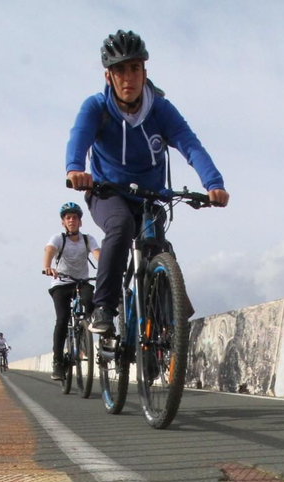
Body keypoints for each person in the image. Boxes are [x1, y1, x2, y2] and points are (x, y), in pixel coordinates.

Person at [64, 29, 228, 338]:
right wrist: (75, 169)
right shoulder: (96, 108)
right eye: (120, 70)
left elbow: (190, 145)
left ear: (145, 72)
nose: (128, 78)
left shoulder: (160, 110)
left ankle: (162, 330)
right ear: (108, 76)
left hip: (151, 196)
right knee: (121, 226)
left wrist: (213, 183)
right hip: (107, 192)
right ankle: (105, 309)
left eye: (135, 68)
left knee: (159, 250)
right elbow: (79, 138)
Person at [42, 203, 100, 380]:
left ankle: (84, 338)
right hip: (61, 283)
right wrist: (47, 266)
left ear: (80, 222)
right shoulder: (58, 238)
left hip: (82, 282)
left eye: (75, 217)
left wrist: (107, 265)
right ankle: (58, 362)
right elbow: (50, 250)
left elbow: (98, 253)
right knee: (62, 319)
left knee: (90, 302)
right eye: (68, 218)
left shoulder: (87, 239)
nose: (72, 220)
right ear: (63, 223)